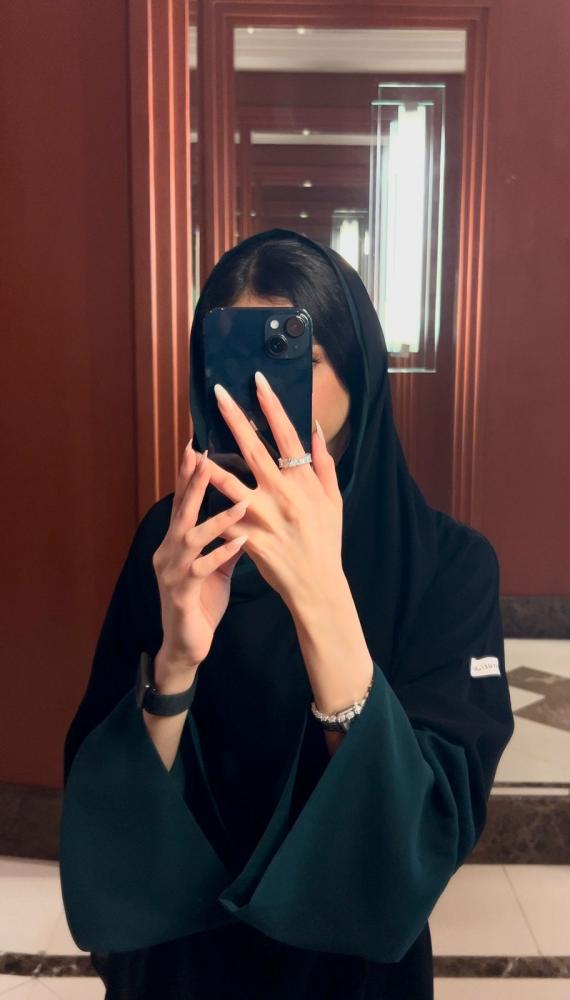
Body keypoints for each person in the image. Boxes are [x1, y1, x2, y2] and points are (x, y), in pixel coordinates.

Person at [59, 229, 515, 999]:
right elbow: (105, 820)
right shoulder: (175, 542)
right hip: (180, 961)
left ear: (360, 371)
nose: (264, 388)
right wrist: (174, 664)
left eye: (295, 355)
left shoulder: (448, 566)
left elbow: (428, 833)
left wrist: (320, 594)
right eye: (237, 358)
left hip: (353, 968)